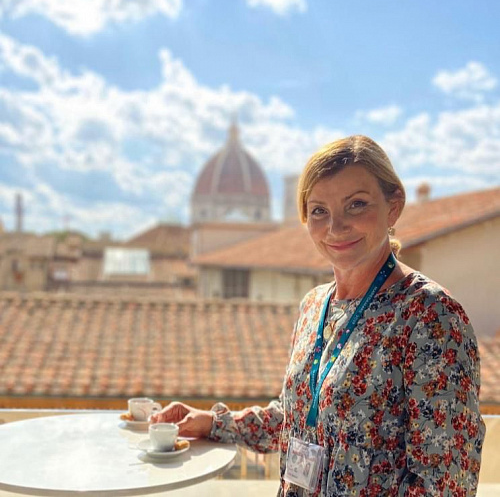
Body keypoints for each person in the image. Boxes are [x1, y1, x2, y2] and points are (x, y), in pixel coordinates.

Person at [151, 135, 485, 496]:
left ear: (394, 207)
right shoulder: (313, 306)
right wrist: (214, 423)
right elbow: (300, 417)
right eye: (319, 211)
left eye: (356, 205)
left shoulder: (430, 315)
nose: (335, 227)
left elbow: (445, 483)